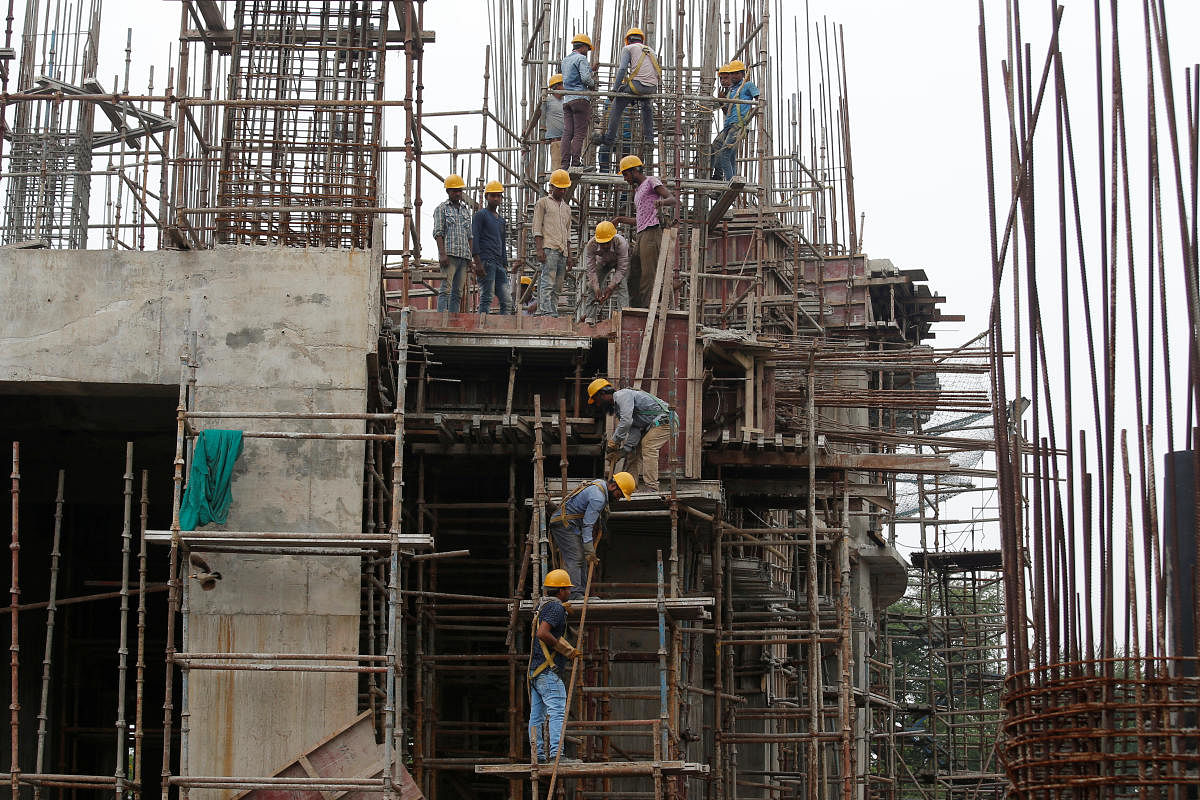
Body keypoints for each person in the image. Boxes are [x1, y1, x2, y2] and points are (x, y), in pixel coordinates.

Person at [547, 472, 636, 600]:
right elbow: (587, 525)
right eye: (619, 494)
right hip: (563, 525)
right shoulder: (598, 498)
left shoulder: (600, 486)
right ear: (613, 486)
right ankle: (575, 594)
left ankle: (582, 594)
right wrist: (589, 548)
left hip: (571, 525)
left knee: (581, 559)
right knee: (576, 557)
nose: (619, 498)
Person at [528, 568, 580, 764]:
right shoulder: (555, 608)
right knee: (557, 711)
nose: (569, 592)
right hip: (548, 671)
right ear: (560, 591)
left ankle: (538, 756)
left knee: (537, 715)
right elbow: (543, 633)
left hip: (536, 671)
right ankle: (558, 755)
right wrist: (565, 649)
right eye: (567, 589)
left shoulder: (543, 606)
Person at [612, 155, 678, 308]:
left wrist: (661, 202)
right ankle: (635, 308)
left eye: (626, 174)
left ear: (635, 171)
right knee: (633, 275)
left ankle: (646, 310)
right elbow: (640, 220)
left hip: (652, 233)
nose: (625, 179)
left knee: (648, 276)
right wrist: (621, 219)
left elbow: (672, 199)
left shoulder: (651, 181)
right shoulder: (638, 191)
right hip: (641, 233)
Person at [587, 379, 675, 493]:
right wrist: (623, 452)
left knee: (648, 446)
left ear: (602, 394)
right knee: (632, 454)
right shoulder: (619, 408)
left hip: (666, 420)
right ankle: (631, 488)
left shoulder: (621, 395)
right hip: (654, 425)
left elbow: (626, 422)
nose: (597, 404)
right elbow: (635, 430)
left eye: (596, 400)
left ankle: (652, 488)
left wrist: (614, 442)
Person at [597, 27, 660, 154]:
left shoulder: (628, 48)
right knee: (646, 105)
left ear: (628, 40)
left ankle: (609, 138)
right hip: (652, 87)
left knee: (618, 102)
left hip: (637, 85)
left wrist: (615, 89)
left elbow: (622, 69)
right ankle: (649, 139)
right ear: (641, 39)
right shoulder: (651, 51)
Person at [532, 169, 574, 316]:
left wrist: (569, 255)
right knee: (547, 282)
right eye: (560, 188)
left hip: (562, 251)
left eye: (564, 188)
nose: (562, 191)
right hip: (549, 248)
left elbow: (568, 233)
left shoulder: (567, 209)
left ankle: (552, 311)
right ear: (552, 187)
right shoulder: (543, 203)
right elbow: (537, 228)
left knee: (558, 286)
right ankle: (544, 311)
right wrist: (539, 249)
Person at [710, 60, 760, 181]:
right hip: (729, 125)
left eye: (737, 73)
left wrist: (753, 111)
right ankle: (717, 176)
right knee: (718, 146)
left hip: (738, 125)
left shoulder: (747, 85)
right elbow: (728, 112)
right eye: (732, 73)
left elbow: (759, 100)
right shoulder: (732, 91)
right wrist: (722, 101)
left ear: (743, 74)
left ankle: (730, 180)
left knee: (725, 153)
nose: (734, 76)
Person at [432, 174, 473, 312]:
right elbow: (438, 233)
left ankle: (454, 319)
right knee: (446, 289)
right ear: (448, 191)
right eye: (454, 190)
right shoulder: (441, 209)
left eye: (459, 190)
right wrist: (442, 254)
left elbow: (470, 236)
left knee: (458, 292)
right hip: (449, 256)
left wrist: (470, 257)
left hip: (463, 257)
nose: (457, 193)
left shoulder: (465, 211)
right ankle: (441, 320)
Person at [576, 220, 629, 325]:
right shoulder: (591, 245)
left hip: (619, 263)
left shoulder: (621, 243)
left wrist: (610, 287)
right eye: (602, 243)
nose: (605, 246)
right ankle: (589, 318)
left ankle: (622, 317)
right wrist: (596, 287)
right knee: (592, 287)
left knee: (622, 287)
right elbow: (591, 269)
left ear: (613, 239)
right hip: (603, 262)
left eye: (607, 243)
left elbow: (622, 269)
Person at [471, 180, 511, 314]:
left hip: (499, 263)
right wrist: (478, 263)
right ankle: (481, 326)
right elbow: (474, 238)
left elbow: (502, 242)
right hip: (486, 261)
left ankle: (504, 328)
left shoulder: (501, 220)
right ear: (487, 196)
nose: (496, 198)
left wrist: (505, 264)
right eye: (493, 195)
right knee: (487, 297)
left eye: (498, 196)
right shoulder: (480, 215)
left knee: (506, 300)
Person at [559, 34, 597, 170]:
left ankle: (564, 164)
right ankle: (575, 162)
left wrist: (590, 70)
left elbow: (572, 76)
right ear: (583, 46)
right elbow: (586, 79)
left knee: (567, 132)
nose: (588, 51)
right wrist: (593, 85)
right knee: (579, 133)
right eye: (587, 48)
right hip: (580, 99)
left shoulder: (565, 60)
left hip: (567, 100)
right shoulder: (581, 58)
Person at [542, 74, 565, 170]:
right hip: (556, 142)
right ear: (558, 86)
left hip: (568, 142)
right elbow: (536, 116)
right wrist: (528, 130)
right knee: (558, 172)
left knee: (568, 175)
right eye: (564, 84)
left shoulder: (566, 101)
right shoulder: (547, 100)